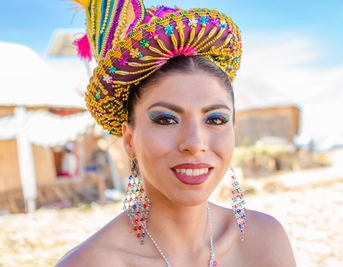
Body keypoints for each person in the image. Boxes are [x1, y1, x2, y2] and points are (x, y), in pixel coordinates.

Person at [57, 1, 296, 266]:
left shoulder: (266, 241)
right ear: (129, 140)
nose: (195, 143)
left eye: (215, 119)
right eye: (166, 119)